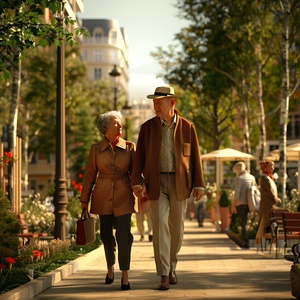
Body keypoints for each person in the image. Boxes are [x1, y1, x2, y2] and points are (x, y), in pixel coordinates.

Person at [131, 86, 205, 290]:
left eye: (159, 103)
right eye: (154, 103)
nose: (155, 106)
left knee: (177, 230)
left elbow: (195, 158)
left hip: (180, 184)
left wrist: (199, 184)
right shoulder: (147, 128)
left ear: (171, 103)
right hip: (155, 184)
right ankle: (164, 273)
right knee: (160, 226)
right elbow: (140, 158)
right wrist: (137, 181)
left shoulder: (188, 127)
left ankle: (173, 265)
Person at [80, 111, 135, 291]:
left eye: (120, 123)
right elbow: (89, 175)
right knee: (106, 236)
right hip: (102, 196)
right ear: (105, 128)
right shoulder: (95, 149)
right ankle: (110, 269)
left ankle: (125, 276)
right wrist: (84, 199)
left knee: (124, 237)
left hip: (124, 195)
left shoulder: (129, 147)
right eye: (116, 123)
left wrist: (140, 186)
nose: (120, 126)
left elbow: (135, 174)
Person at [232, 161, 257, 249]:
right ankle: (247, 240)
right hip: (250, 203)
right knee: (247, 223)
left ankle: (245, 243)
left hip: (241, 203)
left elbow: (237, 193)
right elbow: (255, 191)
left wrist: (233, 205)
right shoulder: (252, 177)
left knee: (243, 223)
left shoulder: (239, 178)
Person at [255, 160, 282, 244]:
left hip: (270, 205)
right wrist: (276, 199)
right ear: (265, 167)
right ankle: (269, 243)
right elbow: (270, 192)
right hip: (268, 206)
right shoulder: (264, 178)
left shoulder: (268, 177)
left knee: (269, 224)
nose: (273, 168)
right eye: (271, 166)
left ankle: (271, 243)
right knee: (266, 224)